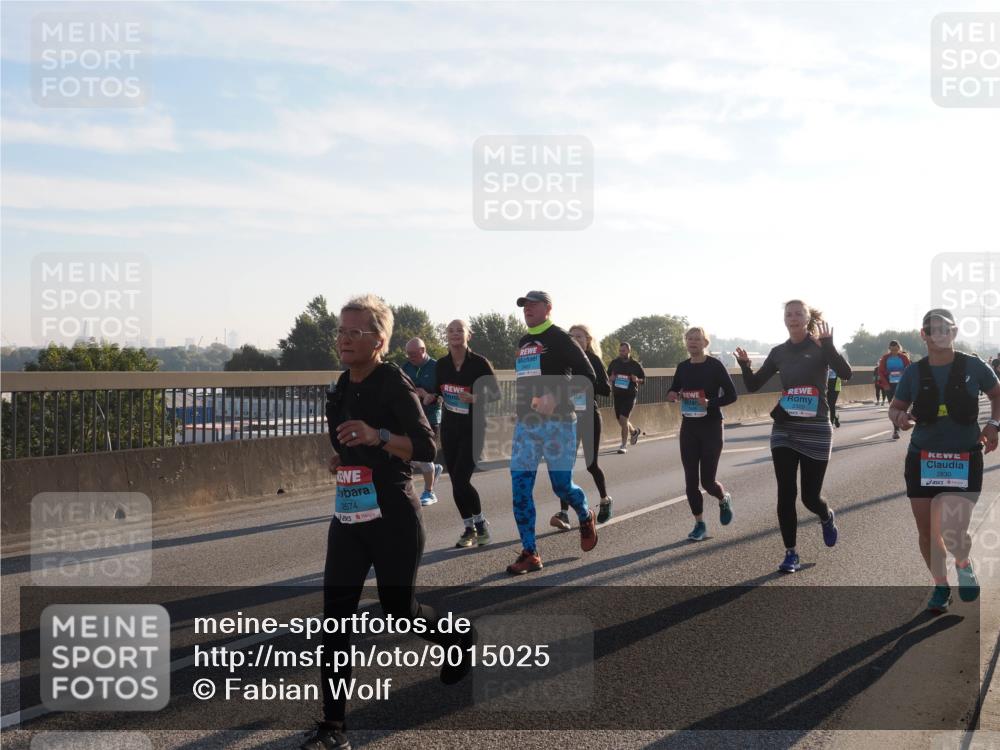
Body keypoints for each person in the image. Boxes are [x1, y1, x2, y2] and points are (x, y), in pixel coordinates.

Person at [303, 295, 473, 750]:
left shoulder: (393, 383)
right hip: (348, 516)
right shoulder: (339, 386)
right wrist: (342, 460)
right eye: (340, 331)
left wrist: (377, 436)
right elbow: (349, 442)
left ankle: (456, 636)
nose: (343, 339)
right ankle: (333, 728)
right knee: (335, 621)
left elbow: (425, 447)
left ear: (379, 341)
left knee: (400, 611)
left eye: (354, 332)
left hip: (394, 515)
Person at [888, 309, 1000, 613]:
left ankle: (963, 563)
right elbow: (896, 407)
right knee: (927, 531)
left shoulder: (974, 366)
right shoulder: (914, 372)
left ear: (954, 332)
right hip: (922, 458)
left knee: (954, 530)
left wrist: (994, 425)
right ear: (923, 334)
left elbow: (997, 395)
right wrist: (900, 418)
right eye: (931, 328)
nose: (938, 333)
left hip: (963, 458)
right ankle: (940, 585)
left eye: (945, 328)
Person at [735, 299, 852, 573]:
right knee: (786, 493)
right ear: (784, 320)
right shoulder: (778, 352)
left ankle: (825, 515)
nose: (793, 317)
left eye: (799, 313)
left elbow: (845, 374)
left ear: (807, 317)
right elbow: (752, 385)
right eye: (789, 314)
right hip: (785, 428)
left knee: (810, 498)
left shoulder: (821, 347)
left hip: (816, 428)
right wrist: (744, 365)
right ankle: (791, 553)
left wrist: (830, 347)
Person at [507, 290, 599, 574]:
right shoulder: (524, 342)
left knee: (561, 485)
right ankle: (530, 552)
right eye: (524, 306)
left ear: (548, 308)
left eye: (532, 305)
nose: (527, 309)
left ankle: (584, 514)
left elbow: (589, 378)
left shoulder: (562, 339)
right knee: (520, 488)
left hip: (560, 424)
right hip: (527, 425)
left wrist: (556, 397)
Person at [666, 327, 738, 541]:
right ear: (685, 342)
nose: (693, 342)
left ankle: (723, 497)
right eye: (689, 339)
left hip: (712, 426)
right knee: (690, 481)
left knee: (708, 481)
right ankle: (700, 524)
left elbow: (732, 395)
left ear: (705, 343)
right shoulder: (682, 367)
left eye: (697, 339)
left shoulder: (714, 365)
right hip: (689, 427)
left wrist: (710, 402)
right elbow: (674, 389)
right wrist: (672, 395)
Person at [435, 319, 499, 548]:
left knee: (462, 479)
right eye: (450, 330)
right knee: (455, 481)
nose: (454, 334)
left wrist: (476, 398)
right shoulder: (441, 364)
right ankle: (468, 528)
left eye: (459, 330)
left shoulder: (480, 363)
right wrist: (425, 394)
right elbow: (435, 391)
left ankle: (481, 525)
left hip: (474, 429)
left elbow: (495, 394)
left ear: (467, 335)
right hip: (450, 429)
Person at [550, 324, 614, 530]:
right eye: (572, 336)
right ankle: (564, 513)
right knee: (564, 466)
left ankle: (605, 499)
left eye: (580, 336)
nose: (576, 339)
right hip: (567, 417)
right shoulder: (564, 362)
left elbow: (606, 389)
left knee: (590, 464)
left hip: (589, 417)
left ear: (588, 341)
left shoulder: (593, 360)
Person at [402, 338, 444, 505]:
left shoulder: (436, 367)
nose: (410, 357)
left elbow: (444, 392)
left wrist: (429, 396)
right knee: (407, 456)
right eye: (408, 354)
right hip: (410, 417)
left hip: (431, 417)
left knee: (425, 458)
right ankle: (435, 470)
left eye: (413, 354)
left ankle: (429, 492)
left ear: (423, 350)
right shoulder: (405, 367)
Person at [607, 342, 646, 453]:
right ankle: (634, 432)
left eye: (623, 351)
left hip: (630, 396)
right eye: (620, 351)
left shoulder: (635, 365)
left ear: (629, 351)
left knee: (623, 419)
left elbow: (643, 380)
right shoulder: (614, 363)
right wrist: (611, 378)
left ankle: (623, 445)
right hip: (617, 395)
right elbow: (607, 377)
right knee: (621, 421)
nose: (621, 353)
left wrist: (637, 380)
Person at [878, 340, 912, 439]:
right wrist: (886, 383)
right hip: (889, 385)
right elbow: (880, 371)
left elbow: (909, 369)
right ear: (889, 349)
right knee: (892, 408)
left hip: (902, 385)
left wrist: (904, 376)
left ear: (899, 348)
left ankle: (902, 420)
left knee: (901, 407)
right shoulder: (885, 358)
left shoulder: (903, 357)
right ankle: (896, 429)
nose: (894, 351)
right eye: (892, 349)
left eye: (895, 349)